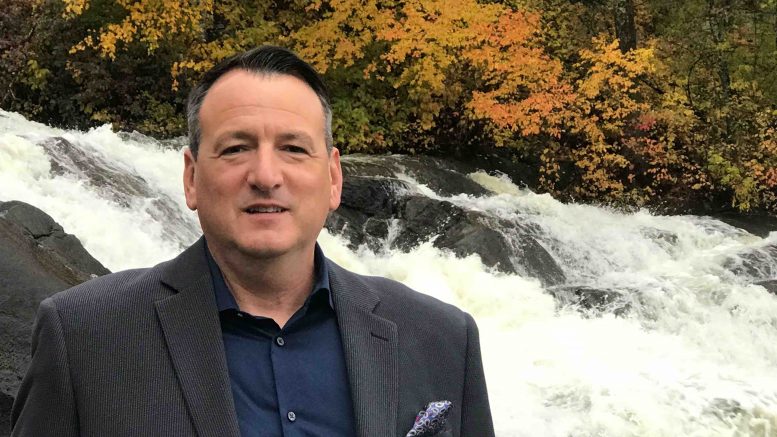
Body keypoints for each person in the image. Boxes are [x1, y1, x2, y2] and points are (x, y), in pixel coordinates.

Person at [11, 45, 494, 437]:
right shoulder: (82, 336)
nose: (265, 175)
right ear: (191, 178)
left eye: (293, 148)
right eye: (236, 148)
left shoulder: (443, 338)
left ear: (333, 178)